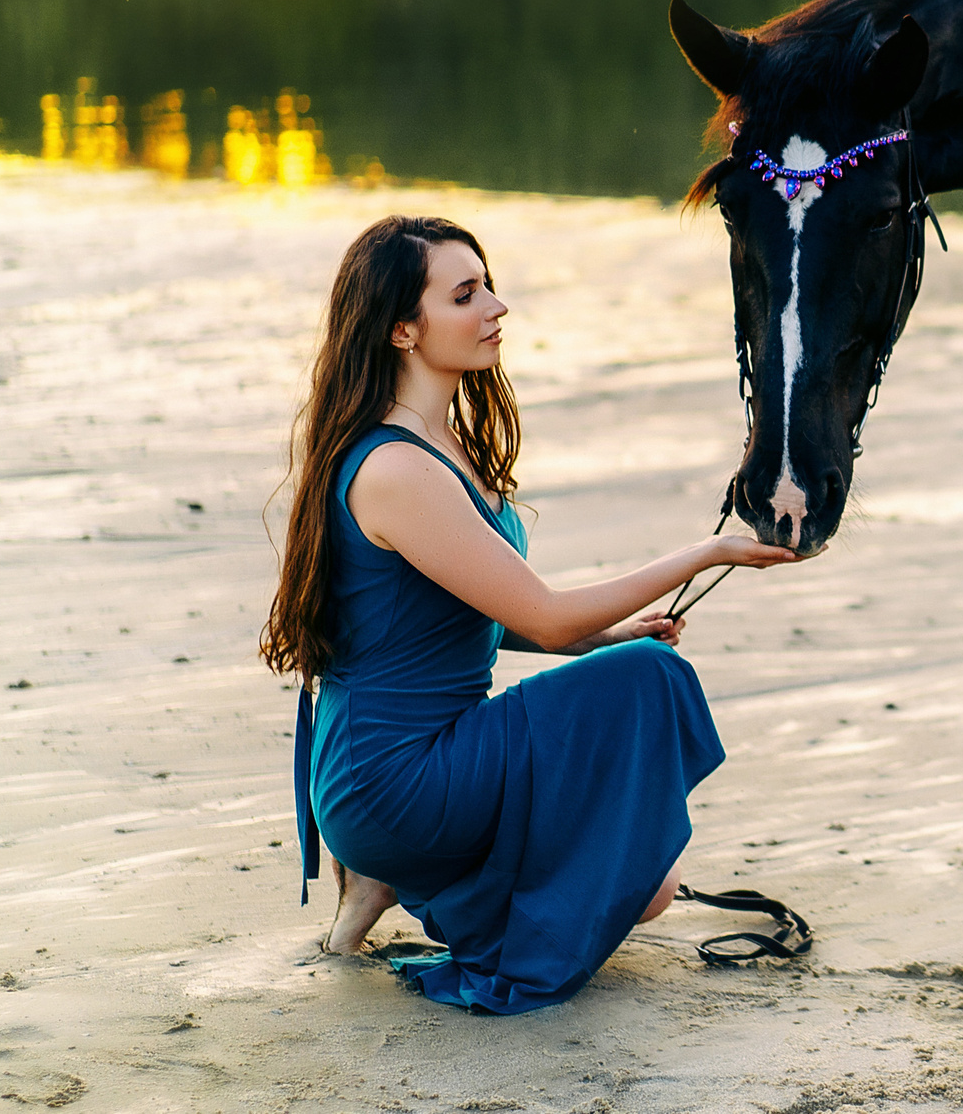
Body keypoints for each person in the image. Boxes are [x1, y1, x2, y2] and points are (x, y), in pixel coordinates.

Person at [259, 214, 799, 1013]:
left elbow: (466, 611)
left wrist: (604, 634)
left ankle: (380, 880)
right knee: (650, 679)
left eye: (490, 285)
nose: (497, 306)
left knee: (649, 889)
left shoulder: (445, 445)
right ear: (403, 328)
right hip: (393, 774)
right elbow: (543, 616)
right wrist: (703, 553)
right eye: (466, 293)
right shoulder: (396, 467)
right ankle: (382, 864)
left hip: (427, 755)